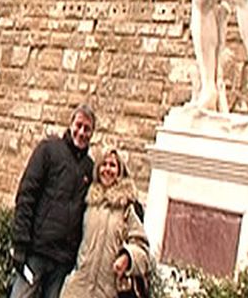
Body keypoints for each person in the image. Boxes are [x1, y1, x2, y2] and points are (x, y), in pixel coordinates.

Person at [9, 105, 96, 298]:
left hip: (62, 261)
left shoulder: (89, 169)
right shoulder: (48, 149)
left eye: (87, 129)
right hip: (36, 252)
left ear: (92, 133)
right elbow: (26, 195)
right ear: (71, 124)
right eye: (79, 125)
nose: (81, 132)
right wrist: (20, 244)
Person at [59, 149, 150, 298]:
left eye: (112, 165)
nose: (107, 169)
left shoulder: (128, 207)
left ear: (120, 171)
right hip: (77, 289)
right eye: (104, 165)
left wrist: (128, 258)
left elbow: (143, 249)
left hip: (108, 292)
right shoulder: (87, 202)